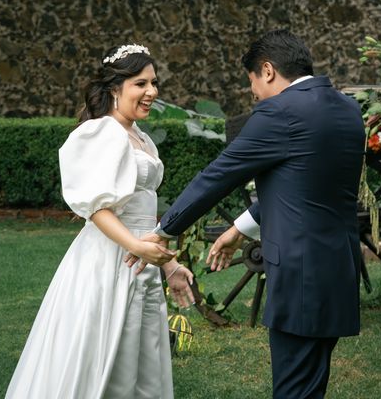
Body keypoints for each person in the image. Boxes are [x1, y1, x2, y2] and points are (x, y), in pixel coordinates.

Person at [133, 29, 366, 398]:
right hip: (337, 272)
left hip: (299, 277)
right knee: (311, 384)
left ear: (268, 70)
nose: (253, 93)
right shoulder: (348, 109)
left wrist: (163, 230)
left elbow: (220, 175)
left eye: (252, 81)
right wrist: (240, 228)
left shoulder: (279, 111)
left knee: (292, 390)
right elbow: (305, 186)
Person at [5, 43, 195, 399]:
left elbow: (143, 210)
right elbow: (95, 209)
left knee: (142, 360)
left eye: (154, 83)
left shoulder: (143, 139)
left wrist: (169, 266)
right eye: (141, 84)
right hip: (108, 260)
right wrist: (135, 245)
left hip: (143, 260)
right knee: (105, 354)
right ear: (114, 89)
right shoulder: (101, 133)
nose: (152, 92)